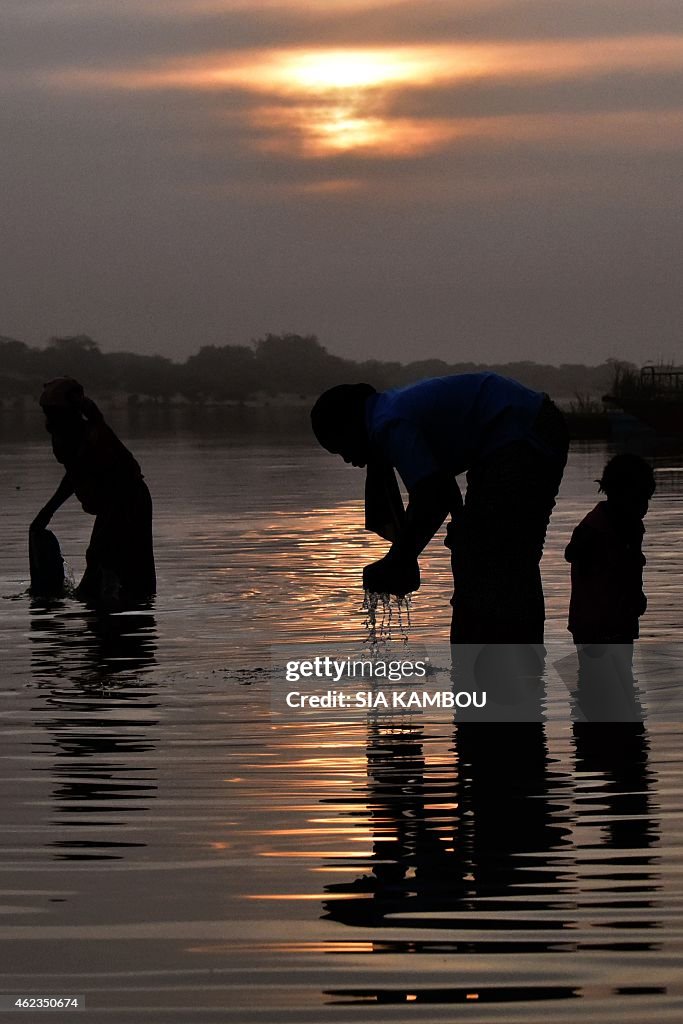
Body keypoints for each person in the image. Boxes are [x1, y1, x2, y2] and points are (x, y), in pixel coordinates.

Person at [311, 373, 568, 643]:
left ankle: (499, 655)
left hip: (520, 431)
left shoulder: (389, 423)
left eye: (341, 449)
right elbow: (442, 488)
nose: (349, 460)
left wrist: (399, 559)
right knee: (499, 552)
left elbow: (431, 498)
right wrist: (429, 543)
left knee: (498, 554)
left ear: (349, 426)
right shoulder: (389, 413)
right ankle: (512, 657)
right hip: (525, 426)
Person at [31, 377, 156, 607]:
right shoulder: (66, 437)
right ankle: (109, 612)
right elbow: (74, 475)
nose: (49, 419)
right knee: (102, 566)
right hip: (113, 504)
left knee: (109, 562)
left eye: (53, 412)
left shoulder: (93, 434)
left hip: (128, 501)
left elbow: (96, 477)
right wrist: (46, 513)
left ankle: (112, 614)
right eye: (47, 412)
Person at [564, 453, 655, 721]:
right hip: (594, 624)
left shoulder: (632, 526)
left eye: (646, 500)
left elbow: (632, 566)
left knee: (621, 682)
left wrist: (636, 594)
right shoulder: (593, 527)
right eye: (639, 499)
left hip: (620, 619)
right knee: (596, 686)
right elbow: (572, 553)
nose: (643, 507)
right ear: (616, 494)